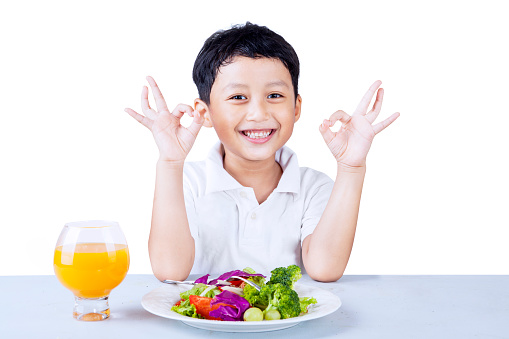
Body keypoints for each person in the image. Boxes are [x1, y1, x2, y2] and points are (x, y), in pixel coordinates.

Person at [125, 22, 399, 282]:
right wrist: (171, 162)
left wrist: (351, 168)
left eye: (275, 95)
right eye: (238, 97)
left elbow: (325, 269)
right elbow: (169, 270)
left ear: (296, 108)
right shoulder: (188, 182)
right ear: (203, 113)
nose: (259, 113)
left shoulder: (314, 187)